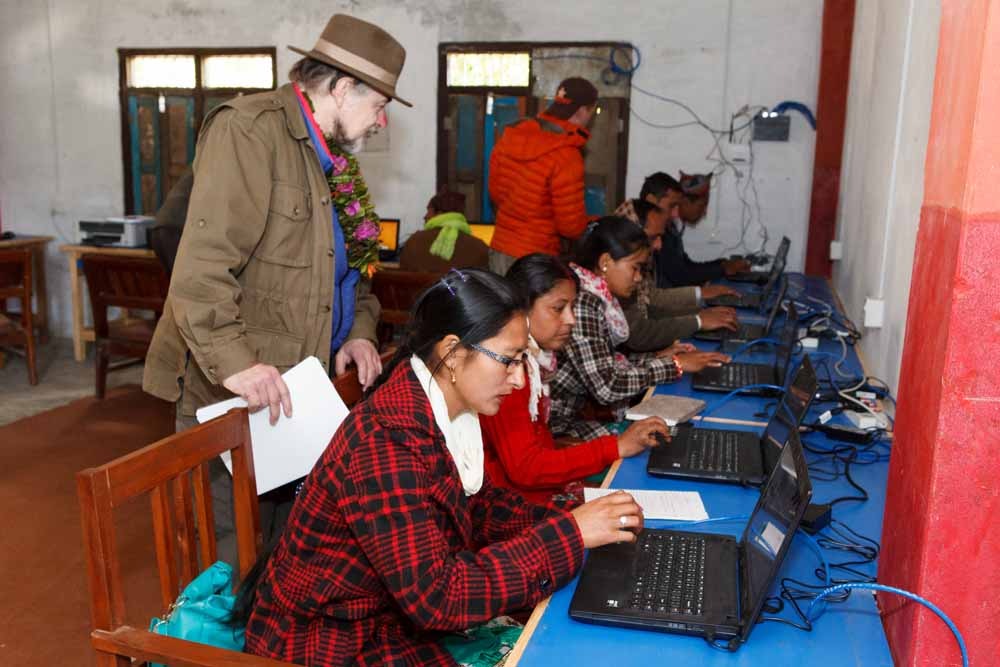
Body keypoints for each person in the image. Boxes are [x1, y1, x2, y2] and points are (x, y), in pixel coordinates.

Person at [242, 268, 647, 666]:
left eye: (523, 360)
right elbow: (439, 599)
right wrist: (569, 534)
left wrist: (574, 521)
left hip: (383, 617)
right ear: (453, 354)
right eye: (508, 360)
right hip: (326, 642)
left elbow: (482, 507)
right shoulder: (388, 441)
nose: (520, 380)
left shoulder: (443, 409)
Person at [142, 13, 409, 545]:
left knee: (287, 554)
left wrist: (358, 329)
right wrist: (236, 364)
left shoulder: (333, 162)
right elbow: (203, 266)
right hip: (239, 395)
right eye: (378, 106)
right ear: (340, 88)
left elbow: (351, 271)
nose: (381, 123)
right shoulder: (250, 131)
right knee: (228, 560)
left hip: (301, 396)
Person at [480, 253, 670, 503]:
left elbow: (536, 448)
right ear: (521, 308)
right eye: (559, 308)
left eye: (572, 307)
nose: (571, 320)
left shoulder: (535, 361)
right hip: (512, 508)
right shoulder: (510, 372)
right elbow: (526, 469)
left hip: (527, 496)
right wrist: (615, 446)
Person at [548, 217, 730, 440]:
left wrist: (658, 357)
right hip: (560, 428)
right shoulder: (583, 303)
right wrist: (674, 366)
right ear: (605, 261)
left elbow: (605, 363)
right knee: (662, 438)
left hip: (577, 416)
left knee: (664, 433)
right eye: (635, 268)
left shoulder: (598, 296)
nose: (638, 278)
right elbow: (607, 386)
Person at [487, 77, 597, 274]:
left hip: (500, 247)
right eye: (592, 111)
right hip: (536, 258)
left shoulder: (511, 136)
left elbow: (495, 194)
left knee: (504, 304)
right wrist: (591, 222)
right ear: (582, 110)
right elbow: (570, 226)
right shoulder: (567, 154)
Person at [614, 198, 740, 352]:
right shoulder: (617, 276)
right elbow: (639, 334)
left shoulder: (632, 265)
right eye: (653, 237)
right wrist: (697, 320)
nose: (659, 245)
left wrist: (699, 313)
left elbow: (649, 303)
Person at [643, 171, 751, 288]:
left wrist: (722, 264)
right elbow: (679, 276)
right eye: (702, 206)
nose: (675, 214)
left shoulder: (668, 227)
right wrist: (721, 270)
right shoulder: (643, 231)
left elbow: (684, 267)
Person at [398, 189, 489, 272]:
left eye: (428, 211)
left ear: (439, 213)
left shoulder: (414, 241)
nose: (425, 217)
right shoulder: (480, 248)